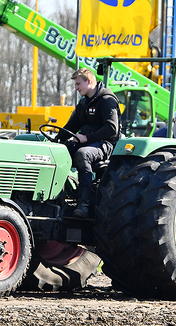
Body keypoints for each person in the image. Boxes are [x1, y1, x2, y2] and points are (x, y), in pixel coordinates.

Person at [62, 68, 120, 218]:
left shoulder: (107, 100)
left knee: (83, 154)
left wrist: (86, 138)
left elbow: (112, 129)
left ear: (89, 81)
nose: (76, 88)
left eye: (78, 84)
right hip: (89, 142)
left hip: (106, 144)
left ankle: (84, 203)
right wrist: (54, 142)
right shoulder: (84, 103)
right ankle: (59, 197)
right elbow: (71, 126)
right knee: (61, 151)